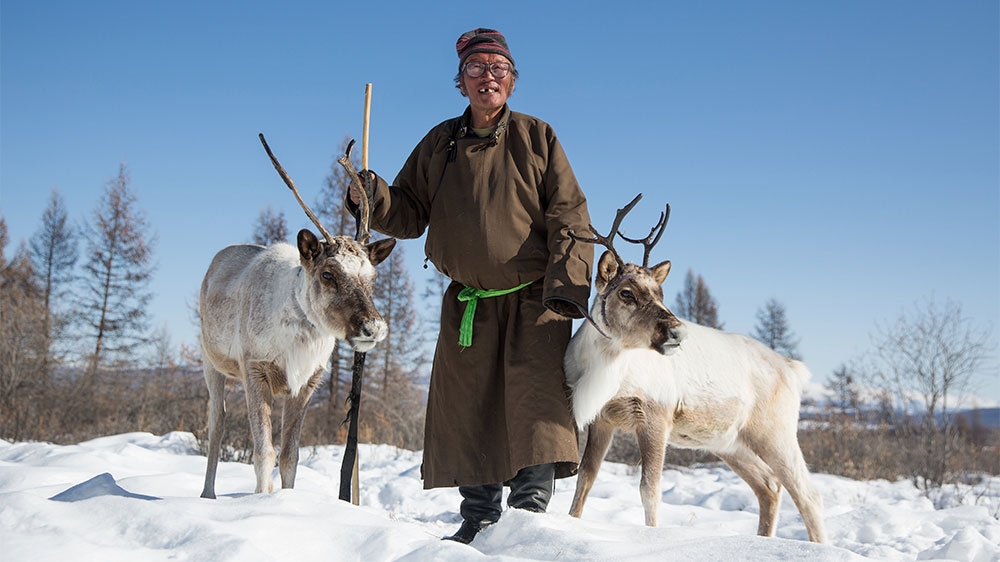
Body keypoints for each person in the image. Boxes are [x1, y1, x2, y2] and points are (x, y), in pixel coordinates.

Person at [347, 27, 593, 545]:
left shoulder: (537, 137)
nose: (488, 78)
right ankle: (479, 517)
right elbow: (409, 213)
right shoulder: (440, 143)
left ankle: (530, 521)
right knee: (471, 405)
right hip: (469, 304)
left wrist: (568, 285)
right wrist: (372, 195)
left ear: (512, 81)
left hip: (535, 302)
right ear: (461, 82)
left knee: (537, 405)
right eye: (476, 69)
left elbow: (569, 215)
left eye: (498, 69)